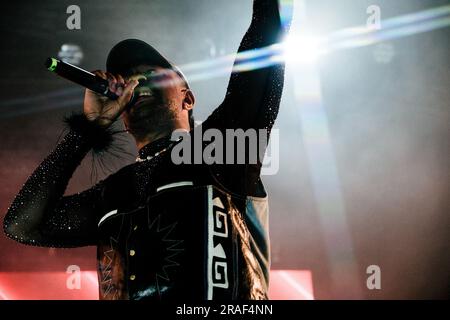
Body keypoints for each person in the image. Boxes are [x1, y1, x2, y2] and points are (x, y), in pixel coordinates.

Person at [3, 0, 286, 300]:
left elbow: (267, 30)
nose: (136, 83)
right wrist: (89, 127)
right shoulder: (112, 192)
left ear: (187, 99)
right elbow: (22, 224)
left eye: (151, 74)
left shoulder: (221, 147)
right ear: (123, 120)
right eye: (128, 80)